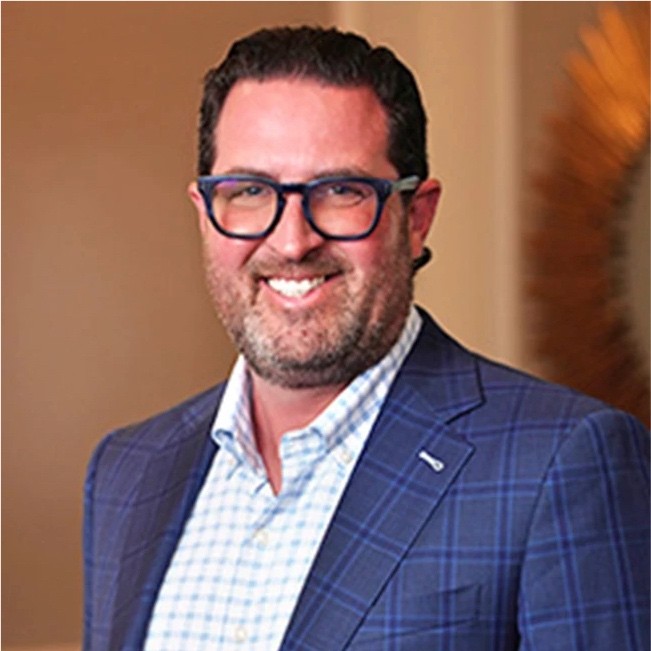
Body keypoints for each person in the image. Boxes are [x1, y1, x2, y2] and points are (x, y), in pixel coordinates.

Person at [83, 26, 649, 651]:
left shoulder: (562, 462)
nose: (292, 241)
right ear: (205, 212)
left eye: (340, 192)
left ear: (417, 218)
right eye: (249, 192)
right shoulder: (129, 473)